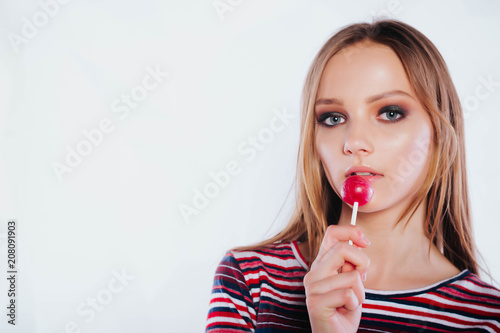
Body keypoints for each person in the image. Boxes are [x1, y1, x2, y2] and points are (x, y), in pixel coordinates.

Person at [205, 19, 500, 332]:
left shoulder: (486, 317)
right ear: (313, 142)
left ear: (439, 132)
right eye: (333, 118)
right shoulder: (250, 281)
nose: (353, 142)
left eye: (390, 113)